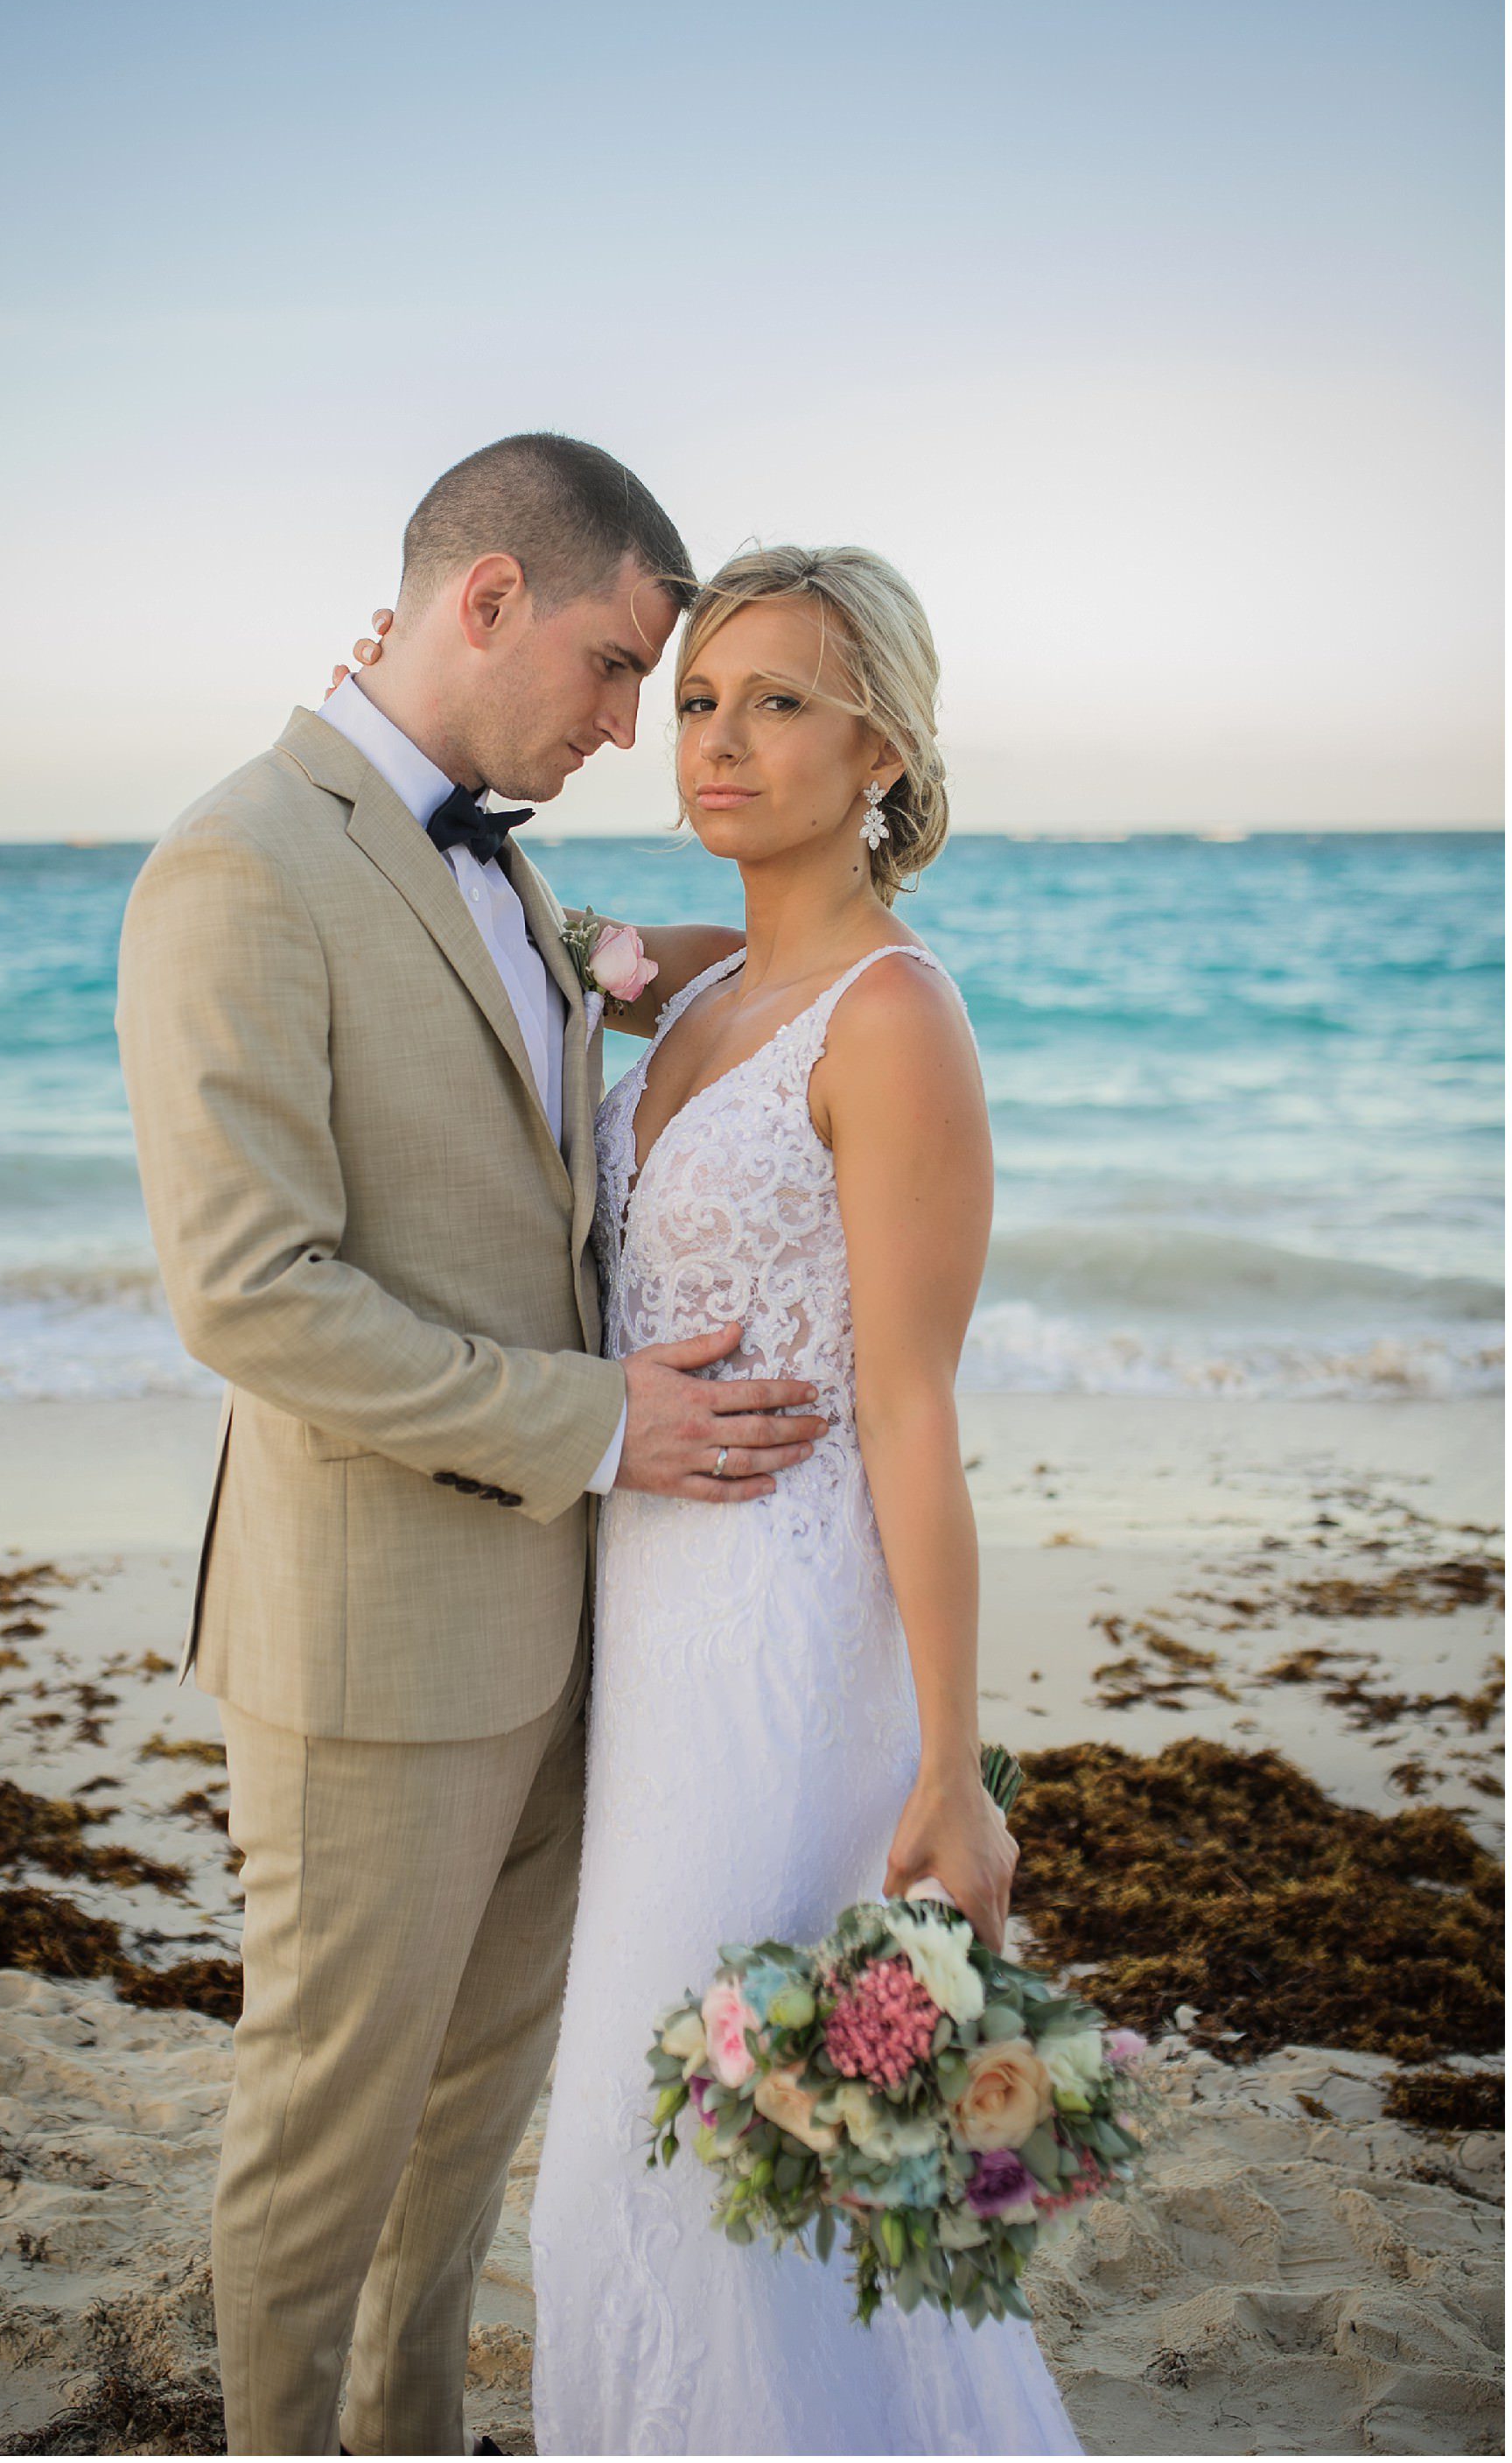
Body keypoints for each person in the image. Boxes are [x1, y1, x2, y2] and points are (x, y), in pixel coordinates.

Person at [114, 436, 832, 2459]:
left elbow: (563, 1029)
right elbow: (252, 1291)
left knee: (467, 2130)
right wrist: (604, 1423)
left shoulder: (503, 867)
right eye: (616, 667)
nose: (627, 726)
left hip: (568, 1633)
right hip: (376, 1647)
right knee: (323, 2145)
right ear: (489, 596)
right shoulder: (239, 861)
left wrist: (810, 962)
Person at [424, 540, 1080, 2452]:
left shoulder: (893, 1019)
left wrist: (951, 1766)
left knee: (708, 2161)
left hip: (790, 1665)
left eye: (780, 702)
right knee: (638, 2163)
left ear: (883, 748)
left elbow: (912, 1411)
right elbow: (494, 924)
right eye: (698, 697)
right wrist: (405, 719)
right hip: (652, 1644)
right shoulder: (706, 984)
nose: (716, 739)